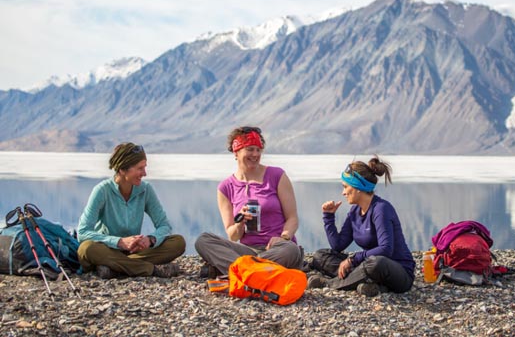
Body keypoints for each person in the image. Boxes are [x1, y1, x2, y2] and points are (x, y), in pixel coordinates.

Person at [195, 126, 304, 278]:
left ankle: (239, 272)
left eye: (258, 150)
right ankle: (255, 273)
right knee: (203, 240)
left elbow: (292, 218)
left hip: (279, 248)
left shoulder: (277, 175)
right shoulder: (226, 187)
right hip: (249, 250)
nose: (255, 154)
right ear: (236, 152)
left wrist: (284, 237)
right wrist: (240, 222)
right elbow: (233, 236)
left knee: (291, 250)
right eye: (250, 149)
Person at [307, 156, 415, 297]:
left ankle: (330, 284)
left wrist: (353, 259)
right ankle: (368, 285)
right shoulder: (354, 211)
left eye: (346, 187)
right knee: (321, 256)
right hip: (369, 265)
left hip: (399, 273)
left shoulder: (381, 209)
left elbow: (386, 249)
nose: (343, 192)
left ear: (358, 187)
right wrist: (328, 217)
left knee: (375, 263)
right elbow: (338, 245)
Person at [77, 142, 186, 279]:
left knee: (178, 242)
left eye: (144, 167)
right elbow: (82, 232)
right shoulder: (102, 191)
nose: (144, 173)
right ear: (122, 170)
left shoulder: (146, 190)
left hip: (133, 253)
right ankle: (150, 269)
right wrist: (119, 242)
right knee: (87, 248)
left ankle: (116, 269)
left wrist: (150, 240)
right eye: (140, 168)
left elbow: (164, 225)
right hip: (108, 251)